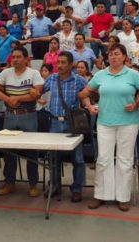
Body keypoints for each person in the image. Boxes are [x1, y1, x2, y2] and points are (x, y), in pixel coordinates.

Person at [79, 44, 139, 212]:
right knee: (103, 160)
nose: (113, 57)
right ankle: (101, 195)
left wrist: (137, 104)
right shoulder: (100, 75)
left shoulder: (133, 75)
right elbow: (84, 94)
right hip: (104, 123)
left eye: (117, 54)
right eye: (110, 54)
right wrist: (89, 107)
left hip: (129, 123)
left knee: (124, 160)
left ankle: (123, 197)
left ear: (125, 57)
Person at [0, 46, 44, 197]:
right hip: (10, 115)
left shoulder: (34, 73)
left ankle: (33, 184)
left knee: (32, 151)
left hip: (29, 115)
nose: (15, 60)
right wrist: (8, 99)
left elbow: (36, 94)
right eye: (13, 57)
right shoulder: (6, 73)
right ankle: (9, 183)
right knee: (9, 151)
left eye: (19, 57)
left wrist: (17, 98)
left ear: (26, 59)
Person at [42, 51, 87, 202]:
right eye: (58, 62)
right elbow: (39, 91)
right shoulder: (52, 79)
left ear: (70, 64)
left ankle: (76, 189)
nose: (59, 66)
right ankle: (54, 185)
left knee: (78, 159)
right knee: (53, 157)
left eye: (63, 63)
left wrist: (88, 102)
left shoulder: (79, 81)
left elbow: (89, 94)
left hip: (73, 124)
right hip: (55, 122)